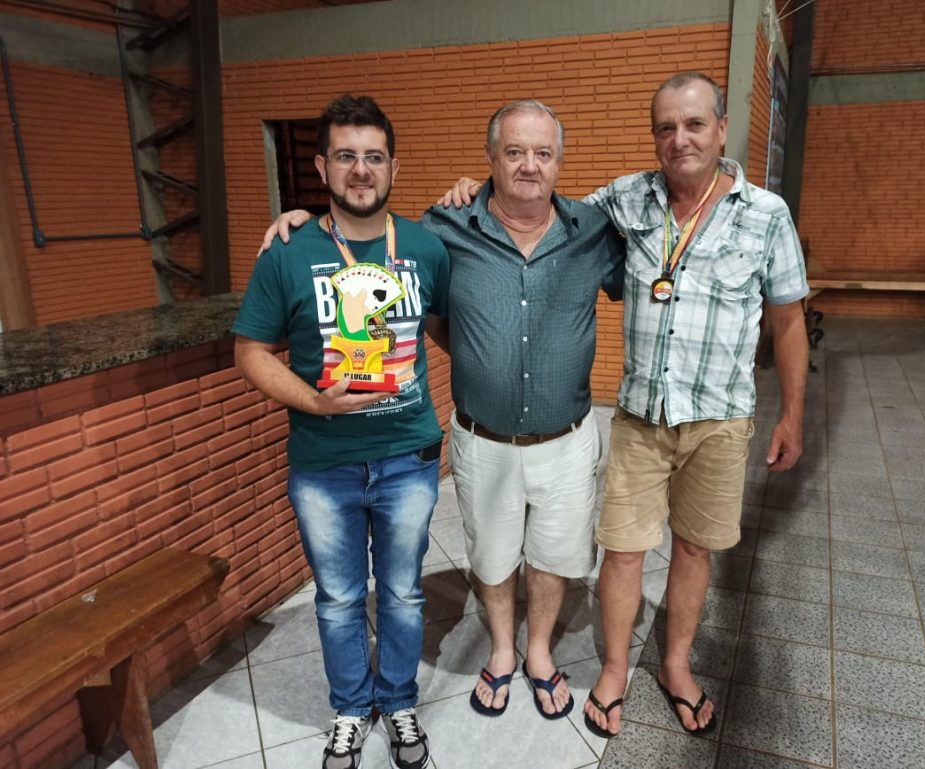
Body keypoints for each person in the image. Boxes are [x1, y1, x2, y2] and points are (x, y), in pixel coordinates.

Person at [440, 72, 809, 739]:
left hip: (720, 419)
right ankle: (610, 668)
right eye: (666, 127)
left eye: (694, 124)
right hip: (640, 416)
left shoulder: (765, 214)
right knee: (622, 551)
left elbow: (788, 320)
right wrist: (474, 185)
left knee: (693, 548)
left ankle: (673, 664)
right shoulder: (624, 201)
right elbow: (531, 197)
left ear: (722, 129)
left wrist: (792, 416)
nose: (680, 138)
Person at [260, 99, 625, 722]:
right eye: (514, 152)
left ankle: (539, 652)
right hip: (482, 437)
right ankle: (503, 649)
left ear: (560, 161)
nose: (530, 165)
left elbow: (649, 273)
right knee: (491, 554)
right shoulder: (446, 228)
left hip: (567, 437)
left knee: (553, 554)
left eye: (543, 153)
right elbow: (373, 247)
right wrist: (306, 221)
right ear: (491, 159)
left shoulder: (592, 231)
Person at [235, 94, 450, 769]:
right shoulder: (288, 251)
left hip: (408, 455)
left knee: (404, 593)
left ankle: (400, 699)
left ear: (393, 167)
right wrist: (314, 403)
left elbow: (444, 326)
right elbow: (249, 352)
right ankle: (352, 709)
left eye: (374, 156)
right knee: (337, 598)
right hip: (323, 462)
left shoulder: (425, 247)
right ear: (323, 167)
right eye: (347, 156)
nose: (362, 170)